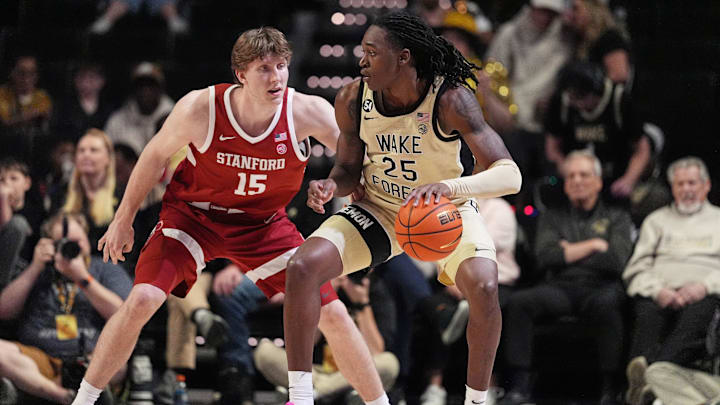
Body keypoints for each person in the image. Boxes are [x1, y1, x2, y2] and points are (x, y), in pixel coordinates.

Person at [70, 27, 390, 405]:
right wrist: (123, 219)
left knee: (333, 313)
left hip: (262, 225)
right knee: (142, 300)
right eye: (264, 69)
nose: (276, 77)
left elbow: (360, 162)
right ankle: (84, 400)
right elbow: (154, 156)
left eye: (282, 66)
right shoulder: (200, 107)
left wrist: (336, 188)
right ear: (240, 74)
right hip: (194, 217)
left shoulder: (306, 111)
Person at [283, 11, 522, 405]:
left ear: (404, 58)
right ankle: (301, 397)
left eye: (372, 53)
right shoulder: (352, 97)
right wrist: (331, 184)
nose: (361, 61)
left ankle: (476, 399)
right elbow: (346, 169)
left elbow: (511, 176)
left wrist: (447, 187)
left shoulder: (450, 98)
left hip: (444, 211)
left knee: (484, 285)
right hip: (380, 210)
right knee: (302, 266)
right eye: (362, 52)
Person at [500, 150, 633, 405]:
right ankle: (519, 384)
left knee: (609, 304)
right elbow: (546, 256)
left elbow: (616, 260)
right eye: (571, 176)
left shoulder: (617, 217)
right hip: (560, 287)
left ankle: (610, 388)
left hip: (601, 287)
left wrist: (568, 251)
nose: (577, 181)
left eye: (584, 175)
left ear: (598, 181)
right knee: (521, 302)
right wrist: (595, 244)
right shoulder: (552, 216)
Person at [0, 213, 131, 404]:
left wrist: (83, 278)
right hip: (39, 360)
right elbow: (4, 311)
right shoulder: (39, 268)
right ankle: (61, 395)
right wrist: (35, 267)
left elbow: (123, 314)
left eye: (76, 241)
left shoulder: (104, 268)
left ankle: (41, 391)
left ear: (87, 238)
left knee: (116, 362)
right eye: (63, 243)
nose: (71, 247)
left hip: (90, 358)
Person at [622, 156, 720, 405]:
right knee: (647, 311)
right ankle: (653, 386)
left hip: (705, 293)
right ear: (673, 188)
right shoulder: (656, 221)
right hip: (661, 290)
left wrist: (704, 286)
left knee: (699, 312)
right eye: (680, 184)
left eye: (692, 183)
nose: (687, 189)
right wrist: (657, 290)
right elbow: (637, 267)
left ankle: (648, 380)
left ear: (706, 185)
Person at [544, 61, 651, 201]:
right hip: (575, 175)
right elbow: (552, 147)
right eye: (573, 98)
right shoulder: (562, 102)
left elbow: (641, 149)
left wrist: (628, 180)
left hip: (615, 175)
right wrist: (567, 171)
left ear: (596, 92)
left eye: (582, 98)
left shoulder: (619, 100)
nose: (578, 104)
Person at [61, 129, 119, 251]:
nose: (86, 155)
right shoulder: (61, 192)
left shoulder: (122, 195)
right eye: (81, 150)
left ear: (108, 158)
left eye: (94, 150)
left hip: (109, 263)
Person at [104, 62, 175, 157]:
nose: (145, 91)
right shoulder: (117, 122)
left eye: (151, 86)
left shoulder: (175, 120)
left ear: (160, 89)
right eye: (140, 86)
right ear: (133, 89)